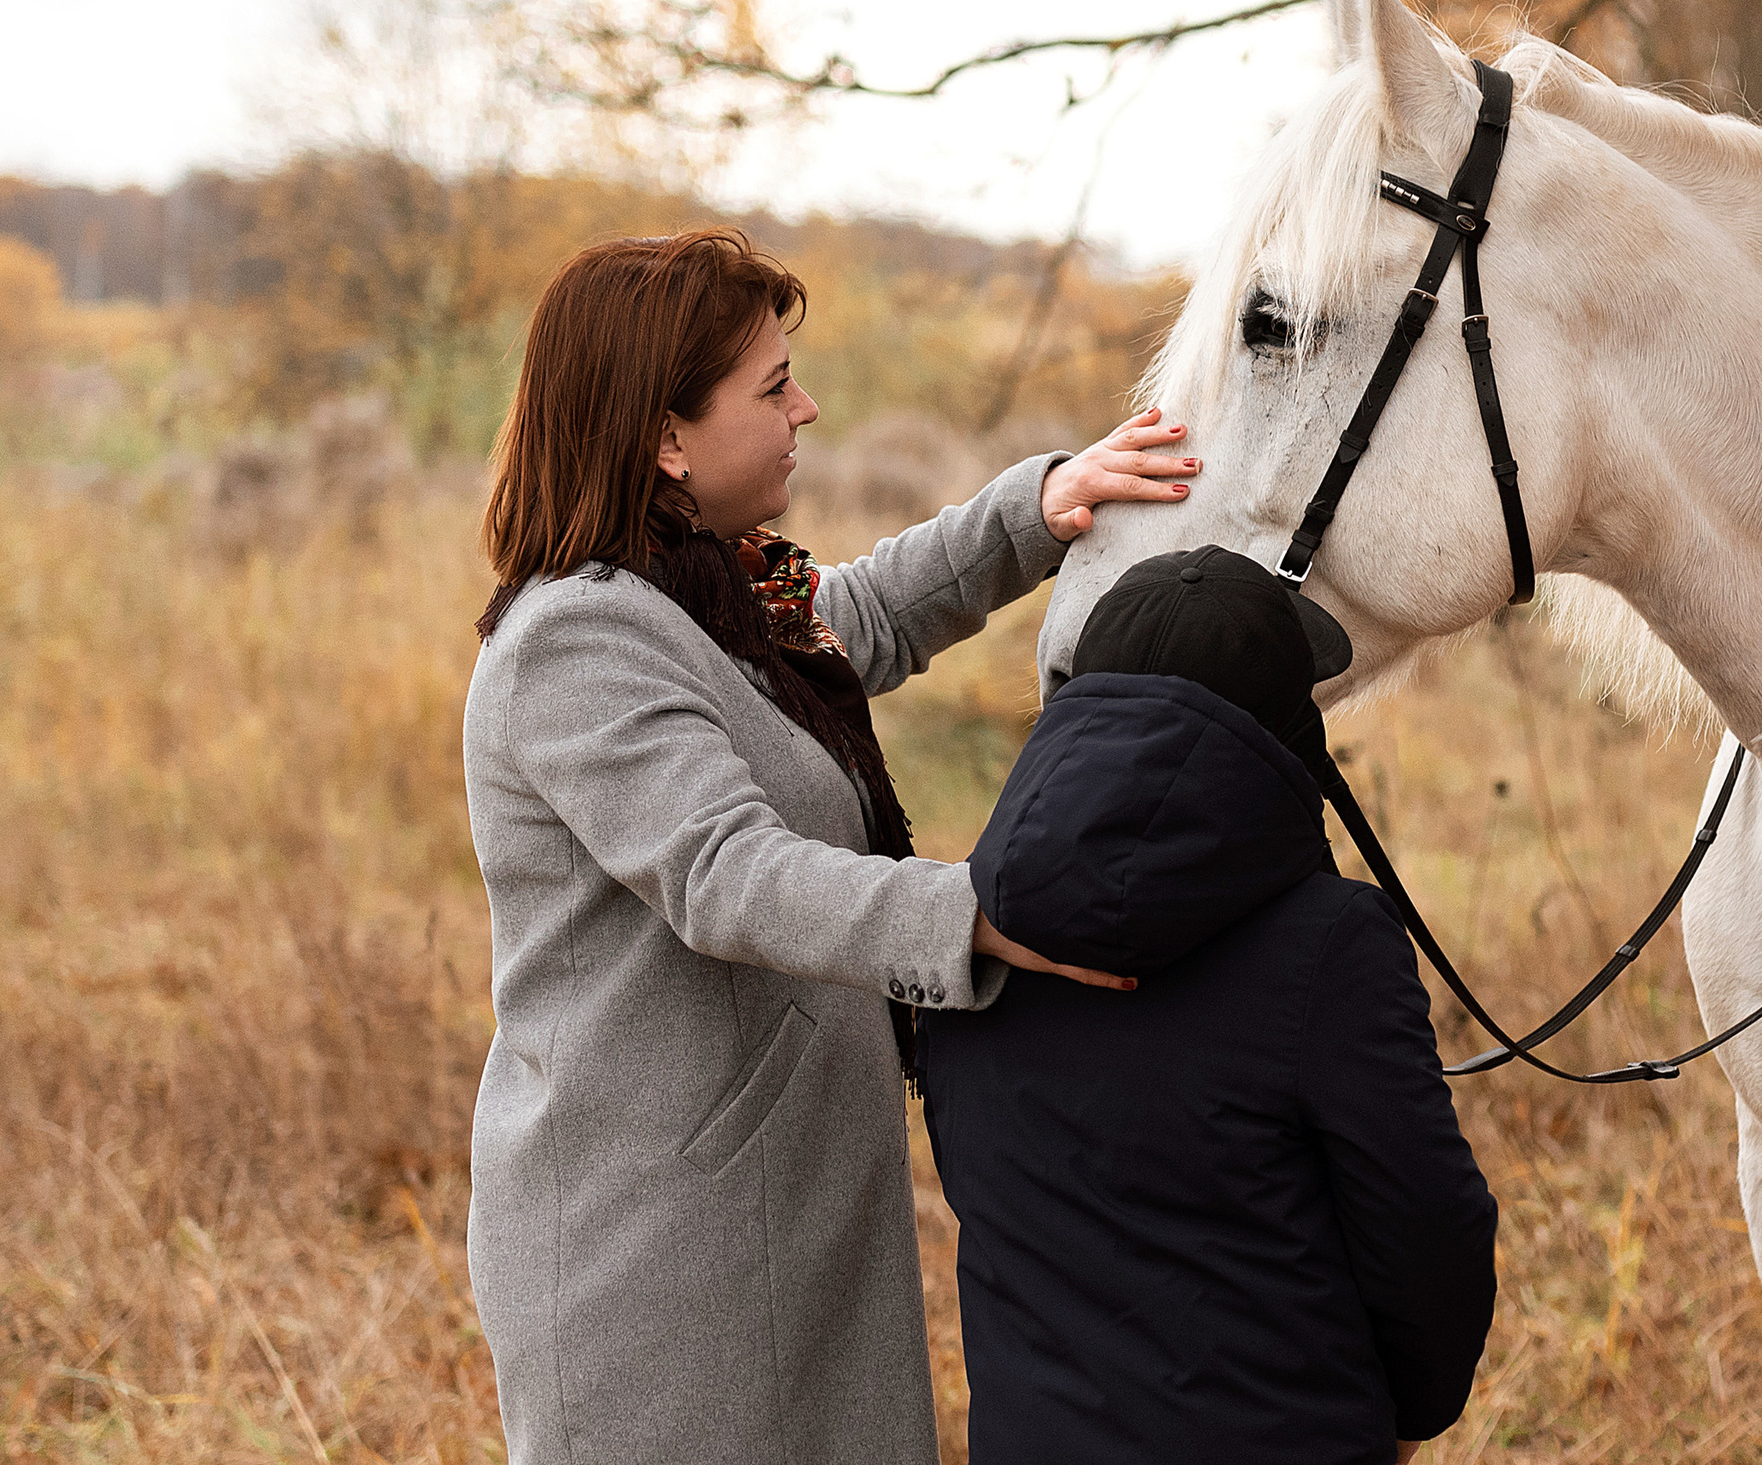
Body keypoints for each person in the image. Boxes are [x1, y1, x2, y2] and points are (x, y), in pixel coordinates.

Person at [460, 226, 1199, 1465]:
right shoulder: (573, 643)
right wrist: (971, 913)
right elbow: (723, 871)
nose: (807, 405)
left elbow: (852, 617)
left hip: (772, 1203)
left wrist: (1038, 507)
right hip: (655, 1252)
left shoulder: (701, 593)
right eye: (771, 384)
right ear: (665, 436)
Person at [920, 544, 1500, 1465]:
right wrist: (1403, 1414)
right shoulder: (1332, 945)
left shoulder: (965, 925)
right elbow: (1429, 1229)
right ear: (1279, 732)